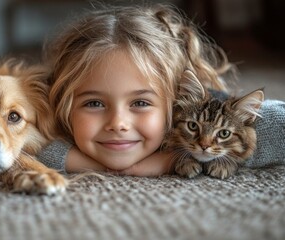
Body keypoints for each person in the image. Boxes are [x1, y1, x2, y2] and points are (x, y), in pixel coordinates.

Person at [37, 4, 285, 176]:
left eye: (140, 103)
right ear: (64, 106)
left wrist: (187, 157)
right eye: (94, 103)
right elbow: (26, 144)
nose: (118, 124)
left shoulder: (191, 113)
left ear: (175, 102)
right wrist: (102, 166)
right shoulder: (49, 115)